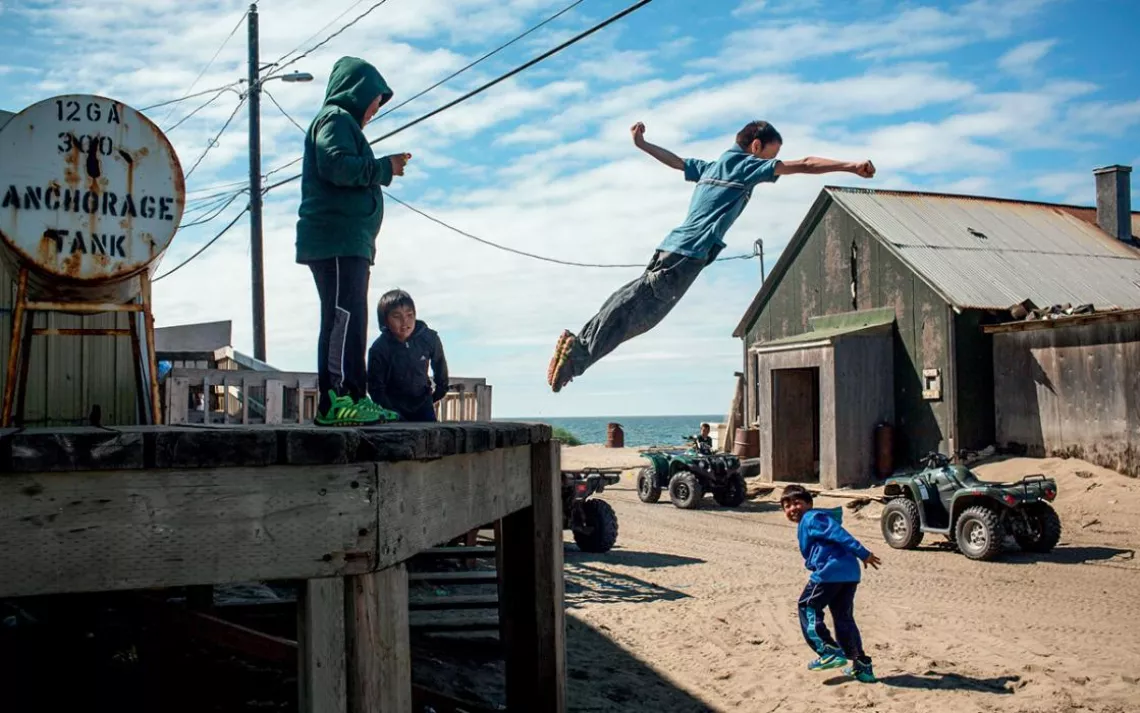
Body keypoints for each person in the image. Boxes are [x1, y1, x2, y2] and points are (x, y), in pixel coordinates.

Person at [547, 120, 876, 392]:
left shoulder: (712, 166)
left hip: (672, 247)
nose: (769, 165)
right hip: (689, 252)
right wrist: (850, 166)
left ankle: (578, 343)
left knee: (634, 297)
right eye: (769, 156)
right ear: (756, 146)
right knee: (641, 313)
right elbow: (803, 164)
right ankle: (577, 356)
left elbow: (677, 162)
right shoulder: (746, 166)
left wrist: (643, 145)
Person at [295, 56, 412, 426]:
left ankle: (353, 397)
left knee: (350, 316)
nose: (374, 112)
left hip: (347, 242)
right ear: (358, 94)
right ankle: (336, 400)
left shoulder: (342, 123)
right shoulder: (334, 119)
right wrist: (383, 167)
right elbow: (335, 165)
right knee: (342, 317)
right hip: (337, 241)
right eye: (374, 103)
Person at [780, 483, 881, 683]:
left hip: (830, 571)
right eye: (787, 506)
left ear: (809, 504)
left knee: (807, 605)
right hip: (848, 574)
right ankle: (862, 667)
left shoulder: (812, 518)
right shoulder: (811, 519)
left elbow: (839, 534)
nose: (792, 509)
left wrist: (864, 553)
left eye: (797, 503)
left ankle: (828, 650)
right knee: (843, 618)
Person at [367, 289, 450, 422]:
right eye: (397, 316)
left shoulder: (429, 338)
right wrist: (390, 412)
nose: (405, 322)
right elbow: (375, 388)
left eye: (409, 315)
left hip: (423, 405)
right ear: (385, 321)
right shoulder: (379, 349)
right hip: (393, 409)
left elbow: (440, 367)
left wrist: (436, 395)